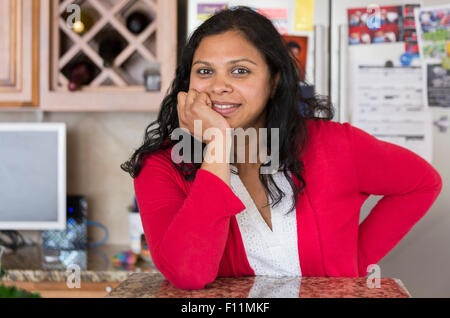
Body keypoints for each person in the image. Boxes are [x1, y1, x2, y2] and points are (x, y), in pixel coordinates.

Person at [121, 7, 442, 290]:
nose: (219, 85)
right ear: (187, 83)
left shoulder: (332, 144)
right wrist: (217, 147)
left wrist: (355, 260)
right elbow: (188, 274)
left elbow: (422, 183)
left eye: (240, 70)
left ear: (274, 80)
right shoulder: (161, 166)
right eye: (205, 71)